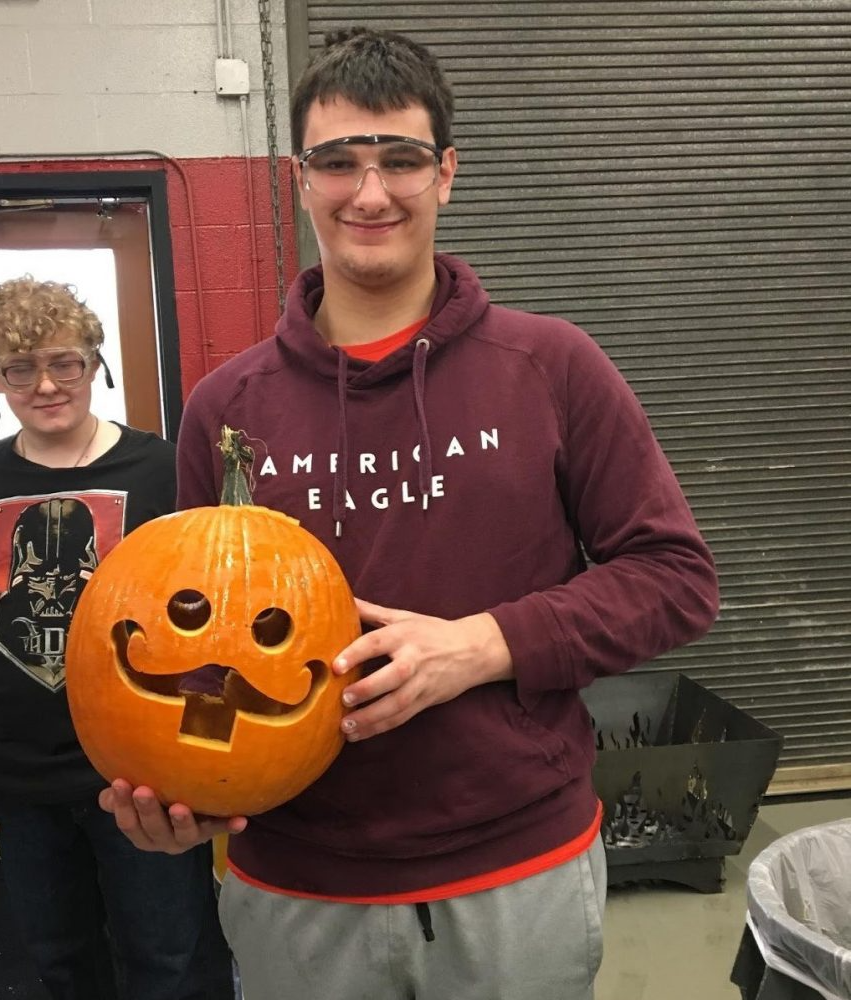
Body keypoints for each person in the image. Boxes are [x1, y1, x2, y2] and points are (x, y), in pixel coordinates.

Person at [102, 27, 720, 1000]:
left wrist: (484, 643)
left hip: (516, 875)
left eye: (399, 159)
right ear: (301, 178)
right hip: (298, 893)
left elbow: (675, 578)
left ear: (446, 174)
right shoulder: (227, 411)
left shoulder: (551, 367)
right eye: (339, 162)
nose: (370, 191)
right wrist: (181, 791)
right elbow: (199, 648)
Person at [0, 277, 235, 1000]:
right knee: (61, 958)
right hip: (15, 771)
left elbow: (218, 615)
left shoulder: (164, 470)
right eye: (19, 367)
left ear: (97, 364)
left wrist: (213, 741)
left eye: (65, 361)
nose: (46, 384)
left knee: (171, 957)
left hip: (141, 768)